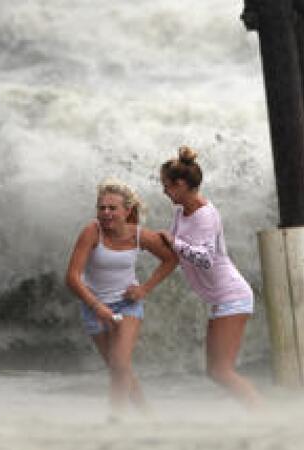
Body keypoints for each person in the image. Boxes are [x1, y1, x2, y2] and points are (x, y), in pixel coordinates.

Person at [158, 146, 262, 408]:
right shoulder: (181, 212)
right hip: (221, 299)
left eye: (166, 186)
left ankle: (263, 415)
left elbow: (205, 258)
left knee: (222, 371)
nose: (164, 192)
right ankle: (258, 413)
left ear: (180, 184)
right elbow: (171, 248)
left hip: (233, 296)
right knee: (216, 372)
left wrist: (175, 244)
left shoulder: (205, 215)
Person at [65, 177, 177, 412]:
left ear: (127, 211)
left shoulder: (139, 235)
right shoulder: (91, 231)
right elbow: (72, 278)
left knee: (119, 363)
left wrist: (144, 288)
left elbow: (171, 259)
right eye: (101, 208)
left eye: (112, 208)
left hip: (126, 305)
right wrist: (96, 306)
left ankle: (116, 420)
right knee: (119, 368)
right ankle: (147, 415)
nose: (105, 213)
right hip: (94, 307)